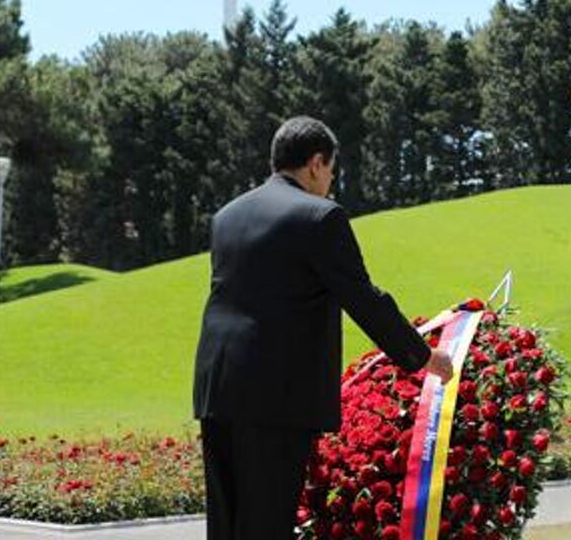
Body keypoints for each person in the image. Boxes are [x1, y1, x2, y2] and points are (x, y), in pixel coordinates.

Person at [192, 116, 454, 540]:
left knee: (228, 524)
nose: (330, 182)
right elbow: (363, 297)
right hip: (275, 395)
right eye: (331, 171)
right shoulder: (319, 217)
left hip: (216, 388)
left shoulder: (227, 216)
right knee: (266, 523)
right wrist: (422, 356)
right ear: (316, 164)